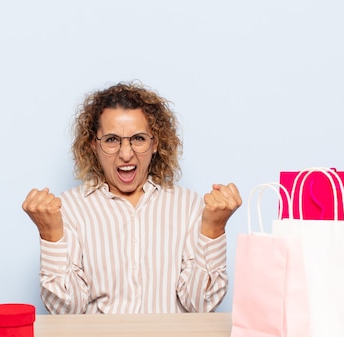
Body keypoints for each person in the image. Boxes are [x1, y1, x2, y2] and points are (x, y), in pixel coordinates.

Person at [22, 81, 242, 314]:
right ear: (93, 146)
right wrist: (51, 235)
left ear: (155, 143)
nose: (126, 154)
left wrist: (214, 228)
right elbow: (68, 311)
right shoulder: (70, 208)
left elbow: (200, 305)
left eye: (138, 138)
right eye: (111, 140)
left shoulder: (187, 205)